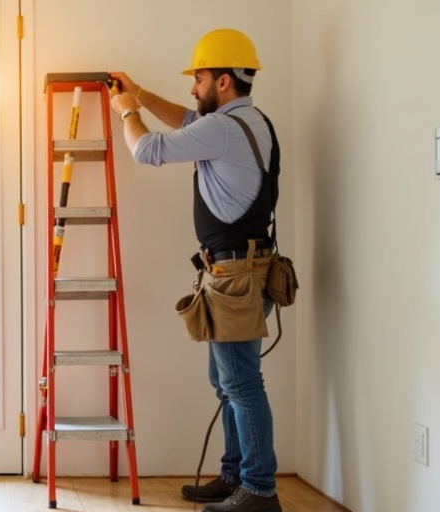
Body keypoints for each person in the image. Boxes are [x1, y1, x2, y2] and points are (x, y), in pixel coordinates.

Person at [109, 28, 284, 512]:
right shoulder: (248, 122)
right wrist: (139, 92)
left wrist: (128, 112)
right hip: (242, 271)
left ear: (223, 81)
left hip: (234, 278)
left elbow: (147, 149)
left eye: (199, 77)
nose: (193, 87)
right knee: (228, 381)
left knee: (242, 384)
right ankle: (235, 477)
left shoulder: (224, 129)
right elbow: (187, 119)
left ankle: (258, 490)